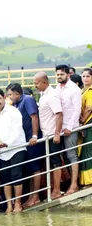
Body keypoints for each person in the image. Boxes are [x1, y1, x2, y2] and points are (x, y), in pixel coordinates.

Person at [0, 89, 27, 213]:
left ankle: (18, 204)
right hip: (1, 150)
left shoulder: (13, 111)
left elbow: (17, 130)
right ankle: (9, 205)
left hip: (16, 147)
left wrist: (7, 143)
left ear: (4, 97)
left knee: (16, 176)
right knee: (5, 178)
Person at [7, 83, 44, 207]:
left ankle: (36, 196)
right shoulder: (16, 104)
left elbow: (34, 117)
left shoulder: (28, 99)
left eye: (10, 94)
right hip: (24, 141)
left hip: (32, 139)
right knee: (30, 168)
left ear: (17, 93)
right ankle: (31, 196)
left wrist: (34, 135)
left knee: (36, 168)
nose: (9, 97)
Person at [34, 72, 63, 199]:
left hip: (52, 135)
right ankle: (53, 190)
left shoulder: (52, 95)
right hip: (46, 135)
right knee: (51, 162)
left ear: (44, 83)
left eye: (36, 83)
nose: (35, 86)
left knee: (56, 162)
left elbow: (59, 114)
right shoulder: (43, 95)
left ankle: (56, 191)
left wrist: (57, 134)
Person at [55, 64, 81, 195]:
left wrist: (69, 127)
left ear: (68, 74)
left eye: (61, 74)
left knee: (72, 155)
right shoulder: (57, 88)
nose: (59, 77)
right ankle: (67, 184)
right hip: (59, 129)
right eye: (57, 74)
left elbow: (77, 110)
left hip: (71, 128)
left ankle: (74, 185)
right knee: (64, 157)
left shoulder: (74, 89)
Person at [79, 68, 92, 186]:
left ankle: (89, 179)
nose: (85, 78)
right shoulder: (83, 90)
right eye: (83, 76)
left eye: (88, 76)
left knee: (88, 151)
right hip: (85, 124)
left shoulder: (91, 90)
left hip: (88, 123)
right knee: (84, 151)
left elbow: (89, 108)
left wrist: (82, 121)